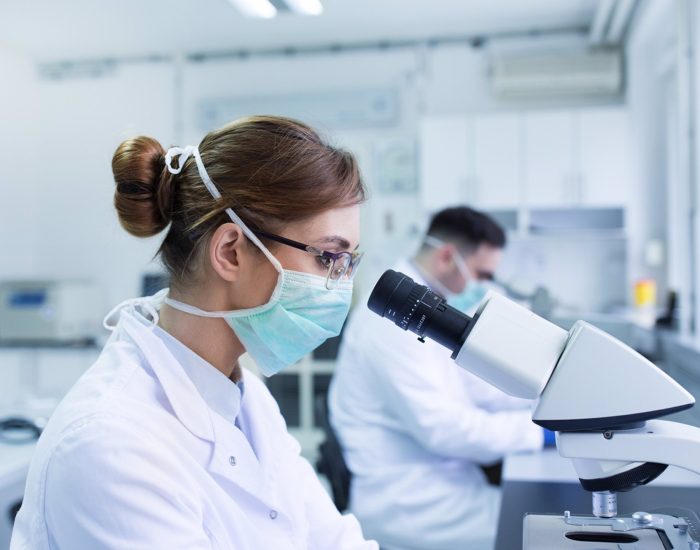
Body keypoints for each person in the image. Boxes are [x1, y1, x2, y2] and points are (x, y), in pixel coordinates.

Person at [11, 116, 378, 549]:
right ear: (231, 252)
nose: (341, 286)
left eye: (348, 262)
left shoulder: (249, 400)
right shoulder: (111, 444)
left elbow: (333, 541)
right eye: (328, 258)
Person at [329, 206, 546, 550]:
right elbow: (443, 428)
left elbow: (471, 387)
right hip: (413, 504)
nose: (486, 286)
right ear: (448, 257)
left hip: (444, 482)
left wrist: (542, 399)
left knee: (539, 517)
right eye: (483, 274)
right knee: (539, 529)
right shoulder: (393, 320)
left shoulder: (429, 308)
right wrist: (539, 434)